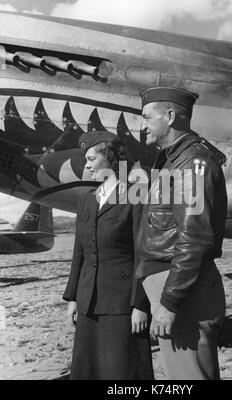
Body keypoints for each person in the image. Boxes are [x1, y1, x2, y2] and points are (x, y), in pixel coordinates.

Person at [135, 86, 228, 380]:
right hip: (175, 286)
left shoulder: (191, 164)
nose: (142, 126)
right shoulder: (172, 160)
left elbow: (195, 239)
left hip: (183, 292)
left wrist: (170, 302)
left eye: (148, 118)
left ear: (171, 116)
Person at [63, 130, 154, 380]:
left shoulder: (136, 196)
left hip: (122, 304)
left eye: (91, 159)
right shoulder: (87, 201)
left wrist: (140, 305)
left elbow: (143, 254)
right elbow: (79, 254)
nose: (87, 165)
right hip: (88, 301)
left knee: (122, 371)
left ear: (109, 158)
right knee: (88, 370)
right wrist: (73, 298)